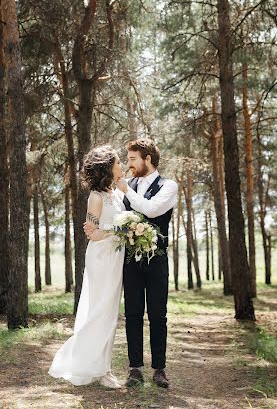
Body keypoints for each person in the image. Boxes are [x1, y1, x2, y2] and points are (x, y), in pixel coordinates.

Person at [85, 138, 178, 389]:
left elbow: (151, 210)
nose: (129, 164)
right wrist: (94, 226)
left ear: (148, 160)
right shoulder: (123, 187)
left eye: (133, 159)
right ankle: (134, 368)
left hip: (157, 261)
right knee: (133, 314)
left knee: (158, 315)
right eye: (126, 159)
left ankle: (159, 369)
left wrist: (127, 190)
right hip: (128, 261)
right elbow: (106, 210)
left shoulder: (168, 186)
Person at [48, 145, 125, 388]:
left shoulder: (118, 195)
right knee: (100, 311)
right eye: (117, 163)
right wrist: (119, 230)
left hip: (117, 257)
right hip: (101, 257)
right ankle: (99, 368)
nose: (121, 166)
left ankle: (103, 366)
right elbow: (91, 233)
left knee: (111, 313)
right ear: (107, 168)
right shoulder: (96, 197)